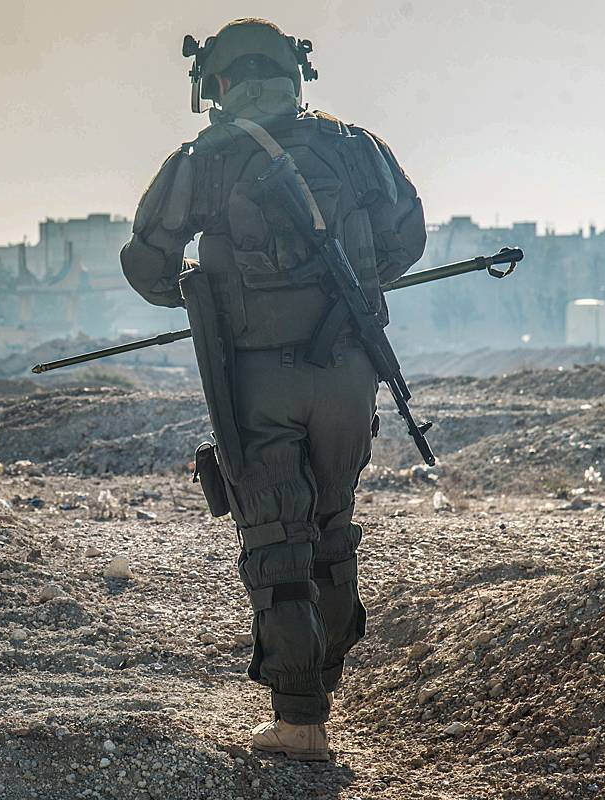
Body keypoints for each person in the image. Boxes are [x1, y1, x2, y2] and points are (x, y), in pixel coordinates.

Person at [120, 18, 427, 761]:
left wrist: (202, 291)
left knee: (274, 541)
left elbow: (148, 266)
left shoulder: (203, 160)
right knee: (331, 526)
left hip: (254, 381)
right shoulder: (356, 148)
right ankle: (320, 684)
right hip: (349, 378)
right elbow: (406, 240)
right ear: (296, 76)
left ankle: (299, 723)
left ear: (215, 84)